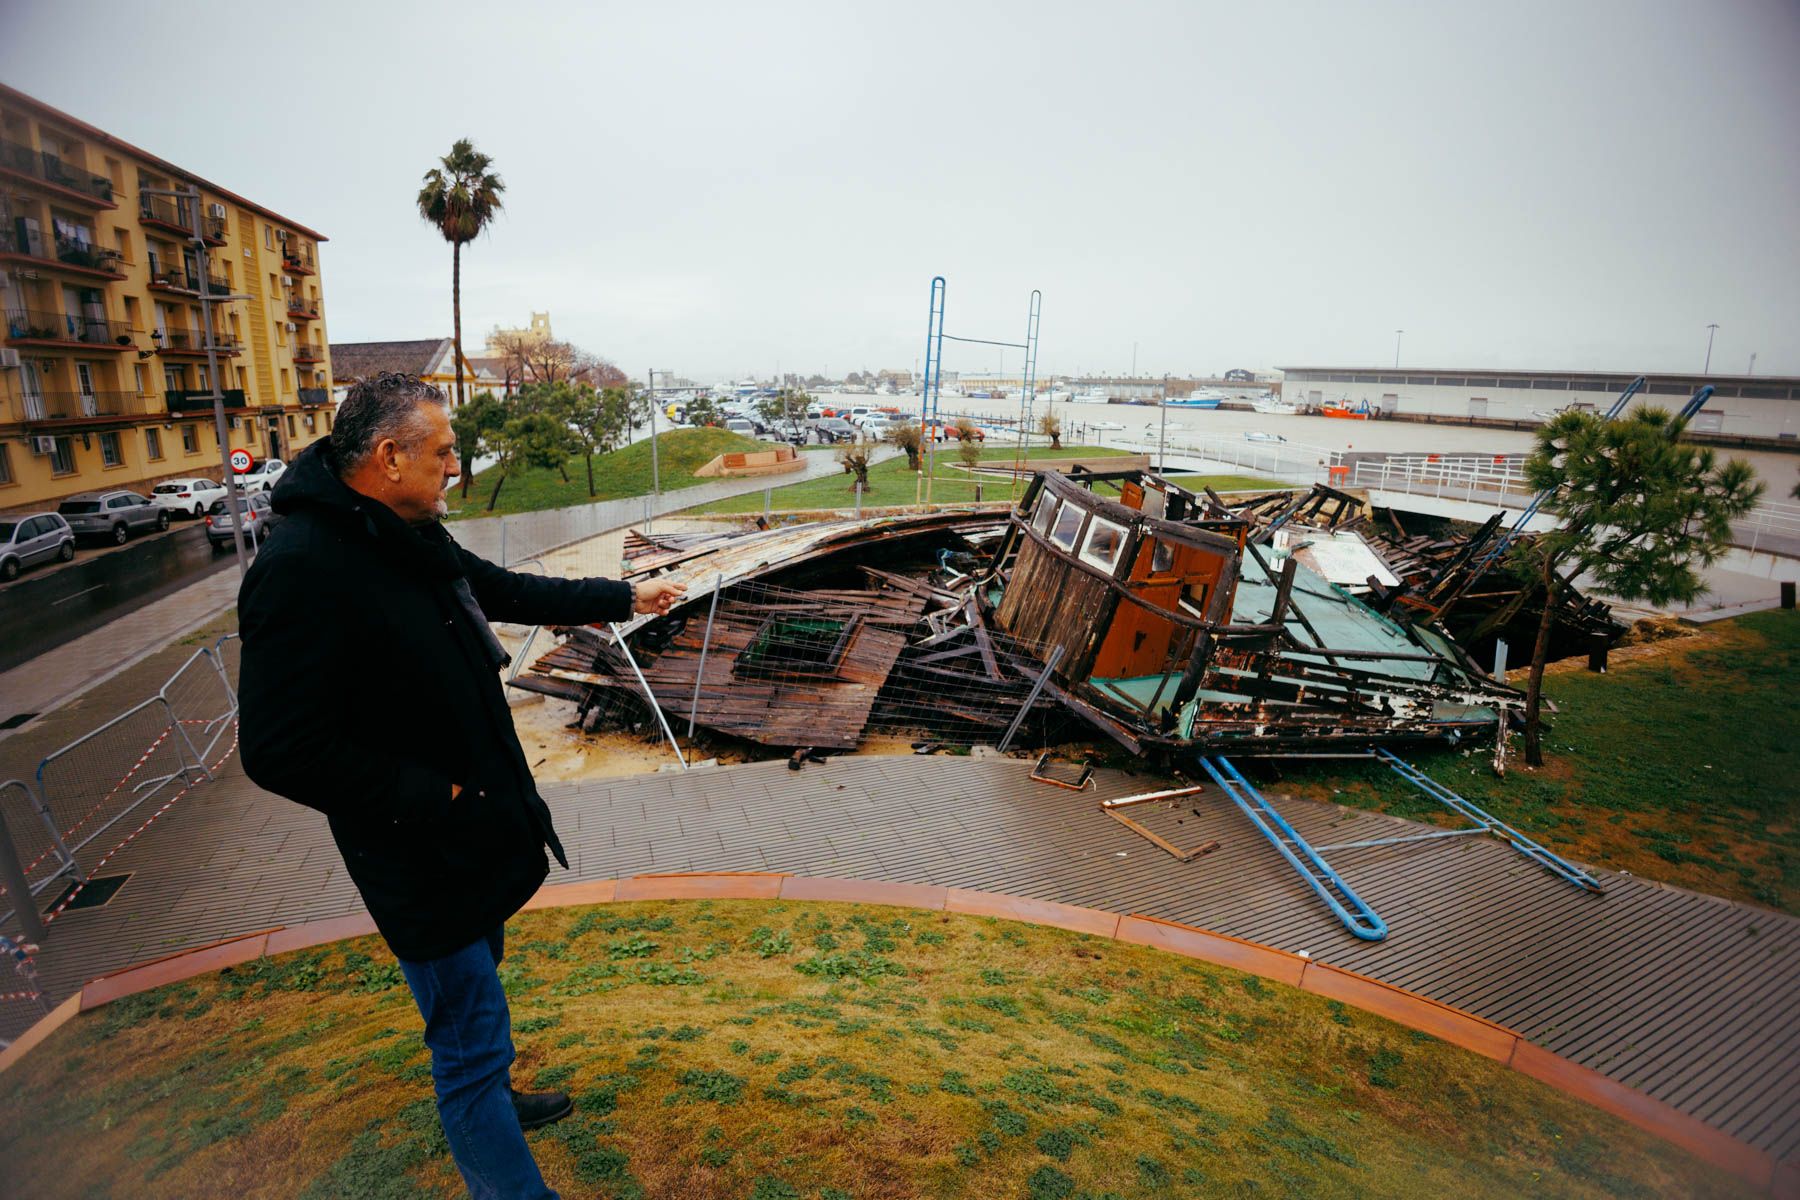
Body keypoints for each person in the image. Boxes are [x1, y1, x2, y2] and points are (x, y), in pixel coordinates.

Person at [238, 372, 683, 1198]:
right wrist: (430, 796)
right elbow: (275, 748)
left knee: (482, 1002)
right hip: (418, 859)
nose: (455, 467)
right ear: (389, 455)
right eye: (443, 452)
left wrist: (624, 593)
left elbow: (505, 590)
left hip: (471, 836)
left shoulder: (405, 531)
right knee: (467, 1042)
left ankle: (499, 1099)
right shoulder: (302, 567)